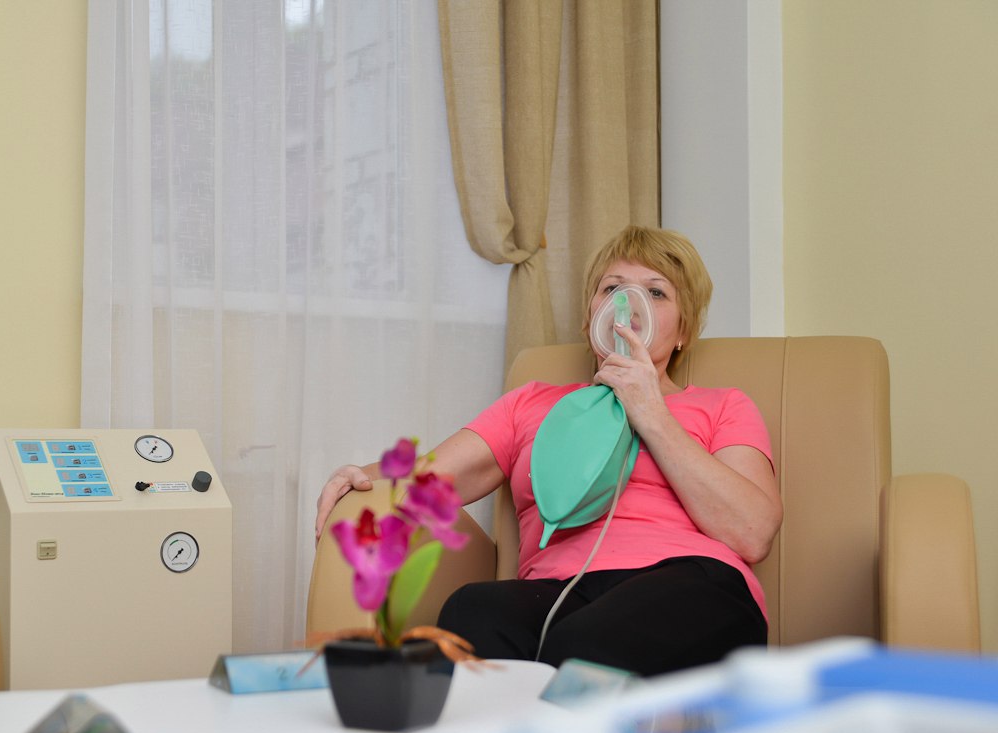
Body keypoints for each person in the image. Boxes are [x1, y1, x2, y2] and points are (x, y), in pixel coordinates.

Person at [314, 226, 782, 677]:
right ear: (591, 315)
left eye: (656, 292)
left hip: (689, 584)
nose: (628, 302)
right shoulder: (532, 404)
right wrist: (361, 476)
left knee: (585, 644)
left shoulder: (723, 406)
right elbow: (431, 478)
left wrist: (651, 412)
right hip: (558, 592)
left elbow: (752, 531)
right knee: (471, 611)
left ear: (683, 331)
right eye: (612, 288)